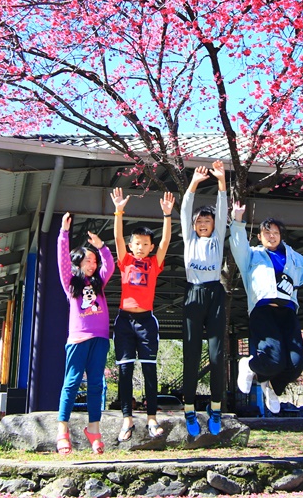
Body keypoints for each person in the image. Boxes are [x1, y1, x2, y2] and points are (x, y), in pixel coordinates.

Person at [229, 203, 303, 413]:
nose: (271, 236)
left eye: (275, 232)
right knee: (274, 359)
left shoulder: (294, 258)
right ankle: (249, 365)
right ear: (259, 237)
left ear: (281, 236)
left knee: (296, 363)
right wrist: (238, 221)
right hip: (263, 310)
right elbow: (238, 245)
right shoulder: (251, 256)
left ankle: (270, 386)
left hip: (288, 312)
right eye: (266, 233)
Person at [110, 187, 174, 442]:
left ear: (150, 247)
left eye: (145, 244)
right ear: (131, 245)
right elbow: (116, 238)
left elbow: (167, 242)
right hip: (124, 321)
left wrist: (167, 215)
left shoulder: (153, 263)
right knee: (124, 371)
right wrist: (118, 211)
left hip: (147, 321)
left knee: (149, 370)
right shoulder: (125, 261)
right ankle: (127, 419)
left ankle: (151, 418)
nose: (140, 247)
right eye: (137, 243)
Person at [55, 212, 115, 454]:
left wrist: (101, 247)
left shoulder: (99, 282)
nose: (93, 264)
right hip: (79, 339)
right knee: (71, 383)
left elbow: (109, 265)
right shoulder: (71, 284)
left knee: (96, 385)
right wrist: (64, 233)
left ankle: (94, 429)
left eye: (94, 261)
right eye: (89, 260)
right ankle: (62, 430)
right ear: (79, 262)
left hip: (100, 339)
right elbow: (61, 260)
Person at [180, 161, 228, 436]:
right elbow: (186, 209)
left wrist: (221, 181)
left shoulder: (217, 237)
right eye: (199, 222)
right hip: (193, 293)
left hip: (214, 293)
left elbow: (222, 212)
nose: (203, 225)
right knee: (191, 352)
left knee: (217, 353)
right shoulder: (189, 238)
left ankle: (216, 406)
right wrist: (194, 183)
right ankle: (188, 408)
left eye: (207, 221)